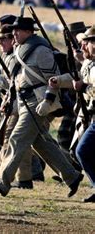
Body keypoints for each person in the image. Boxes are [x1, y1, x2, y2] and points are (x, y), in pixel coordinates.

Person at [0, 17, 83, 197]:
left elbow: (53, 80)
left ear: (30, 32)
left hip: (38, 103)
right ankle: (72, 176)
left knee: (17, 139)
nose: (14, 33)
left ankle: (3, 181)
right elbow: (15, 81)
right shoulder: (18, 50)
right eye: (14, 30)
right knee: (41, 144)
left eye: (19, 30)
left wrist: (48, 101)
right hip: (24, 103)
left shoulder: (41, 51)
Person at [49, 26, 95, 203]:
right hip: (91, 115)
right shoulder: (88, 63)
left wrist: (83, 88)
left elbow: (83, 84)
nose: (82, 47)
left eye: (87, 43)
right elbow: (78, 79)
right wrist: (59, 81)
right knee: (81, 150)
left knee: (82, 150)